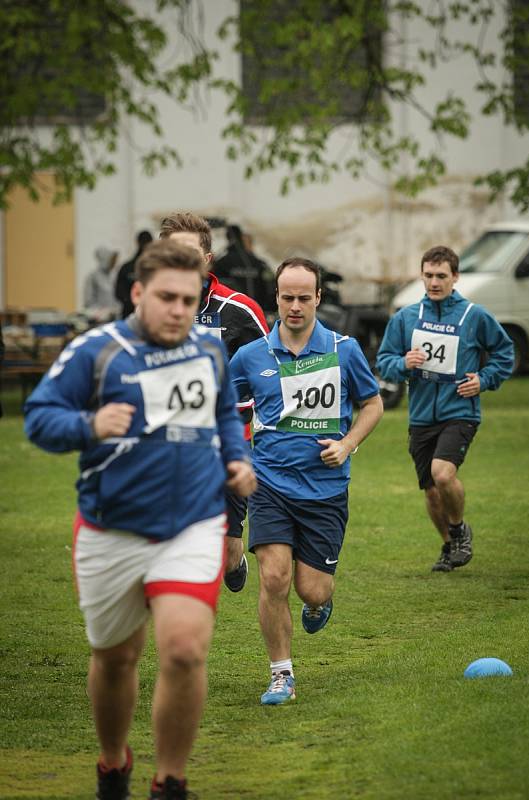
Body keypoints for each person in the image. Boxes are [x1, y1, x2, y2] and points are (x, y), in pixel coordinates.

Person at [24, 240, 256, 800]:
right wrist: (90, 424)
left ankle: (170, 782)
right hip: (111, 529)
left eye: (188, 298)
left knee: (183, 649)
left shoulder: (209, 348)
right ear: (137, 294)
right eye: (166, 298)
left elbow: (224, 411)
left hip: (193, 523)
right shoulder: (98, 351)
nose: (179, 309)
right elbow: (38, 416)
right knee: (115, 657)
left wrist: (235, 457)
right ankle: (113, 763)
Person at [230, 257, 383, 705]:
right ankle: (281, 674)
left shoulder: (344, 349)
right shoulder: (251, 356)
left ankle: (319, 602)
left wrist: (348, 443)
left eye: (303, 297)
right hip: (270, 484)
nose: (294, 307)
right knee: (274, 579)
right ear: (275, 297)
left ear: (319, 297)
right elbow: (221, 406)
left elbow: (372, 405)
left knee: (311, 588)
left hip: (326, 490)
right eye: (286, 297)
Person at [376, 245, 514, 573]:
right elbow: (385, 362)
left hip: (460, 412)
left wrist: (483, 380)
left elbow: (505, 353)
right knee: (432, 493)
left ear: (455, 276)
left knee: (443, 472)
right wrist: (403, 363)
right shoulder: (406, 318)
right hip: (421, 416)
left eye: (441, 276)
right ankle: (449, 544)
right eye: (428, 275)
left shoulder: (474, 316)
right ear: (421, 276)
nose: (434, 282)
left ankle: (458, 530)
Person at [159, 212, 270, 592]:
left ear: (207, 259)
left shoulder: (239, 311)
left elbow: (270, 374)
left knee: (227, 556)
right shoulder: (153, 312)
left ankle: (234, 561)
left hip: (229, 442)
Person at [214, 224, 276, 312]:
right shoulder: (259, 264)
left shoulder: (221, 263)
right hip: (258, 312)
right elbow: (272, 286)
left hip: (232, 312)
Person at [115, 230, 154, 318]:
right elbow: (119, 292)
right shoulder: (128, 268)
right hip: (132, 313)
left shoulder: (156, 267)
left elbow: (118, 292)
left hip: (142, 313)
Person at [84, 246, 120, 319]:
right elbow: (88, 301)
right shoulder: (93, 277)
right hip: (98, 319)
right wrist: (101, 312)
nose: (113, 263)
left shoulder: (113, 276)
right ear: (105, 260)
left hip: (114, 317)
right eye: (111, 260)